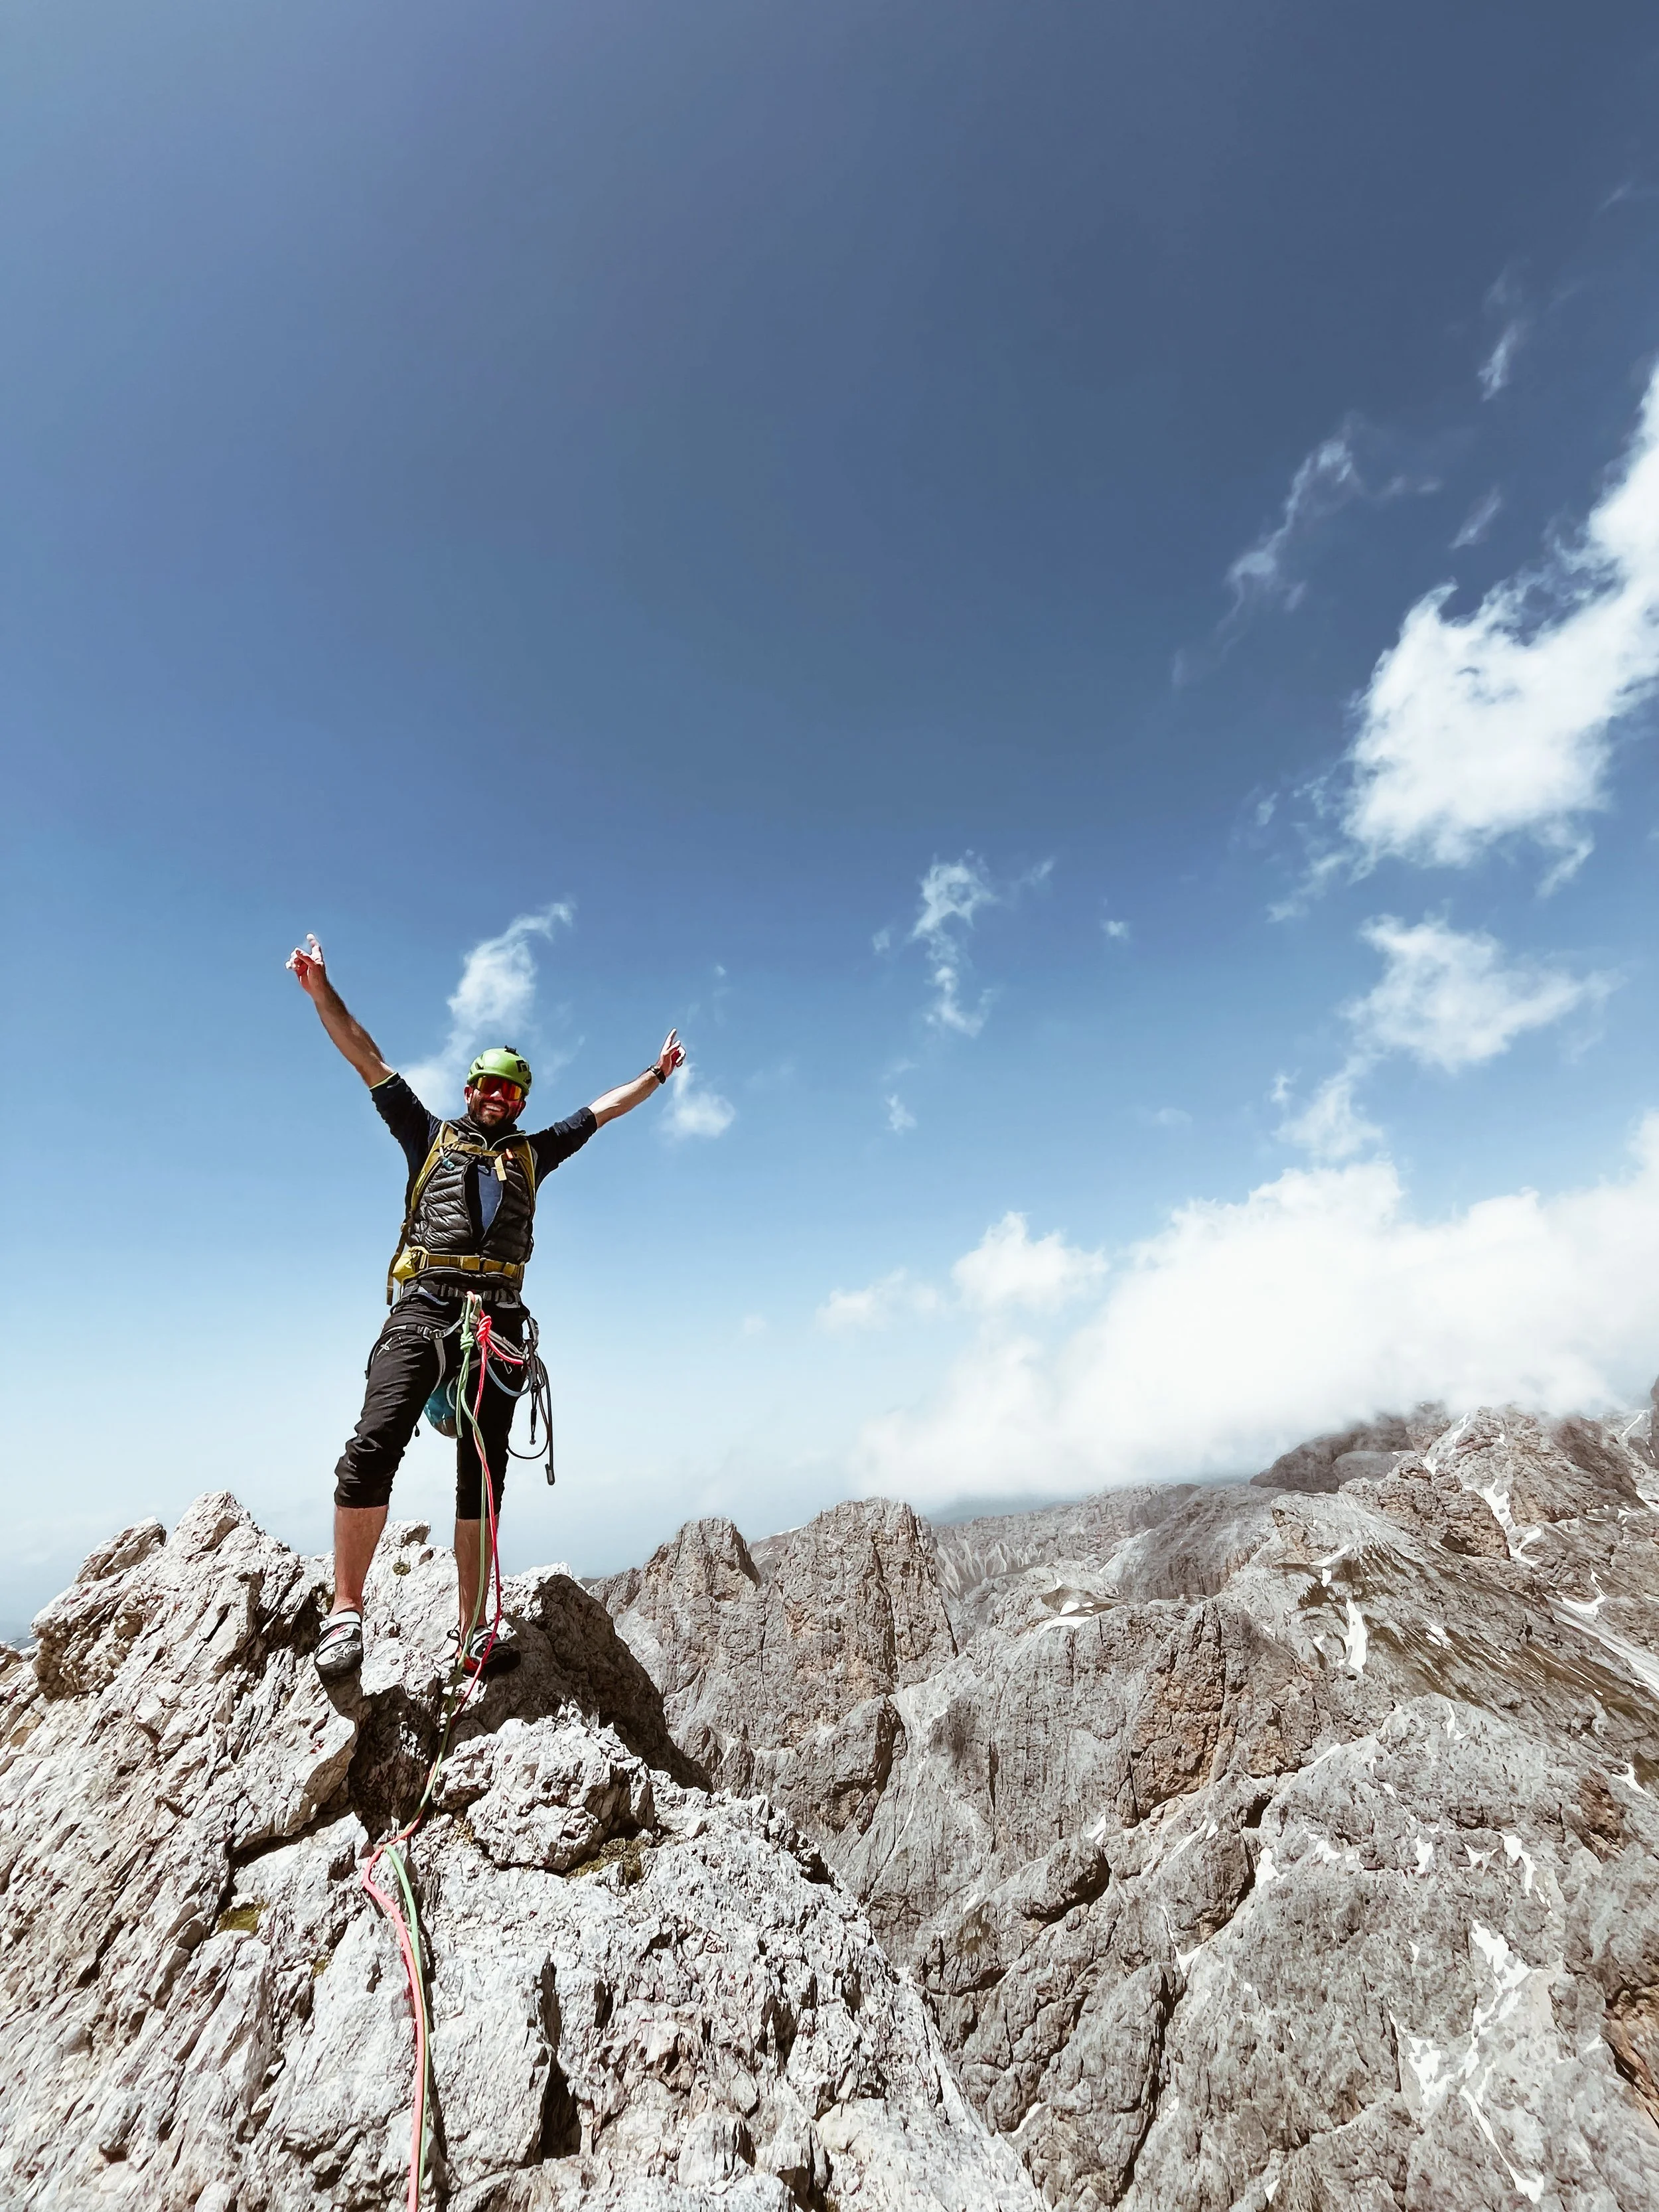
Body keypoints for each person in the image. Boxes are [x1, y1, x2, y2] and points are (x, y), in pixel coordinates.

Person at [287, 933, 684, 1683]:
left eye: (511, 1091)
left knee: (484, 1473)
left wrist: (655, 1077)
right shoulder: (427, 1134)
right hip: (425, 1305)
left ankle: (473, 1632)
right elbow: (365, 1056)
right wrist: (321, 993)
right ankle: (346, 1610)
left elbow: (599, 1113)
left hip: (498, 1322)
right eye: (488, 1087)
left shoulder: (535, 1153)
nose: (498, 1098)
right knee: (375, 1443)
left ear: (521, 1102)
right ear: (470, 1090)